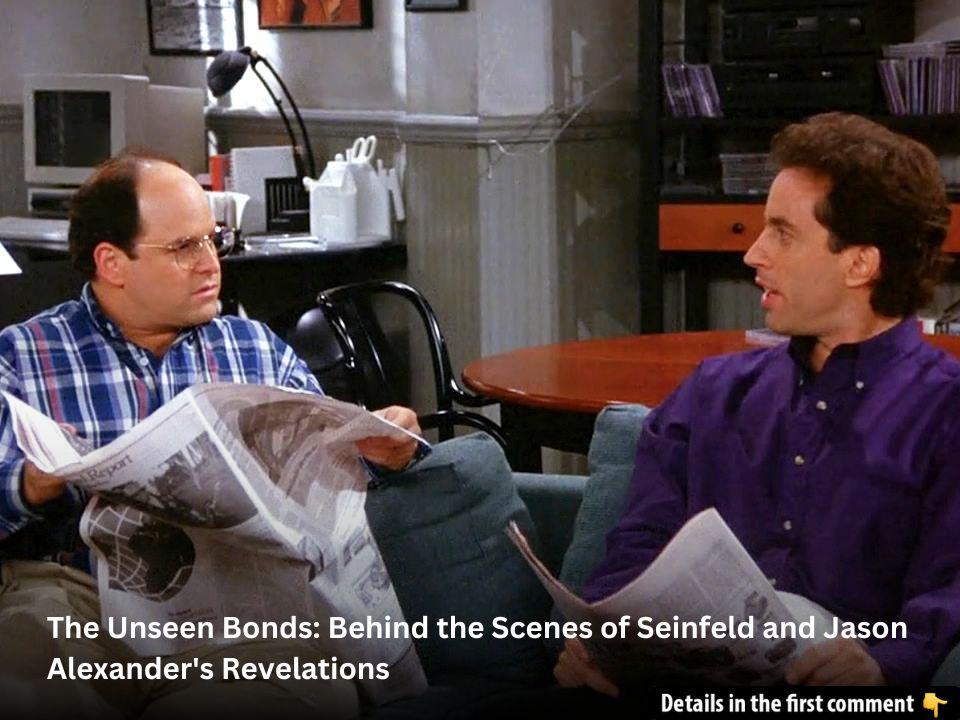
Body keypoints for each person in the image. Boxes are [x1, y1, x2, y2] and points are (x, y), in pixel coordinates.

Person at [0, 150, 423, 717]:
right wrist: (30, 484)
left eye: (212, 240)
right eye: (183, 247)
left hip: (227, 615)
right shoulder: (21, 358)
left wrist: (383, 448)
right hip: (75, 601)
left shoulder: (254, 349)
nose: (210, 264)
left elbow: (324, 469)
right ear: (112, 263)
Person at [555, 112, 960, 691]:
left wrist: (878, 664)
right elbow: (636, 551)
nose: (753, 254)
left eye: (782, 233)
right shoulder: (711, 393)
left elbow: (946, 598)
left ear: (860, 264)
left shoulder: (945, 413)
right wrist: (597, 644)